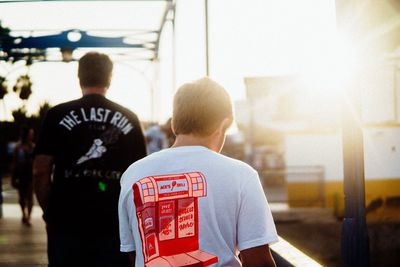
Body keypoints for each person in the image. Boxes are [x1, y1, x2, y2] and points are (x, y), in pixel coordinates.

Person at [118, 77, 278, 267]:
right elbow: (257, 261)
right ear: (223, 125)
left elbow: (135, 253)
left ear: (174, 125)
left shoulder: (134, 174)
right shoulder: (242, 175)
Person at [33, 52, 147, 267]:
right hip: (113, 225)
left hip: (66, 222)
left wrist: (51, 212)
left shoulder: (57, 114)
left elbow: (40, 170)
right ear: (110, 78)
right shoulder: (130, 118)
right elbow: (140, 179)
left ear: (79, 76)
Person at [11, 126, 35, 226]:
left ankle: (28, 216)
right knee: (22, 197)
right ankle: (23, 214)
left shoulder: (33, 147)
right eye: (30, 134)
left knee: (30, 197)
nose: (32, 136)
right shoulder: (17, 147)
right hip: (21, 174)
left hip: (30, 174)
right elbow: (14, 162)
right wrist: (13, 176)